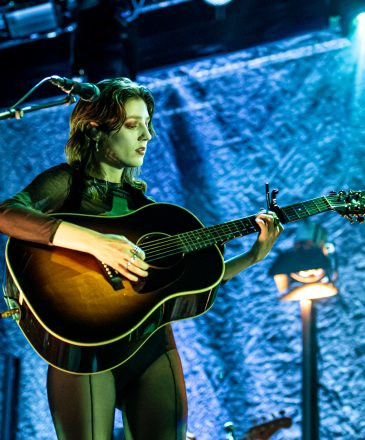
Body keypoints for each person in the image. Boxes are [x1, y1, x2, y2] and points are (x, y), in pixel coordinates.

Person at [0, 77, 283, 440]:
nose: (146, 136)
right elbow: (7, 215)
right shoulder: (67, 184)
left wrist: (254, 255)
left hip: (152, 346)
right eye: (133, 125)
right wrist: (95, 242)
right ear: (95, 128)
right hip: (84, 346)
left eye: (148, 125)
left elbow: (192, 280)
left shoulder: (150, 213)